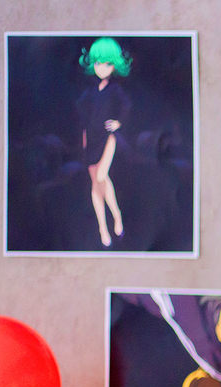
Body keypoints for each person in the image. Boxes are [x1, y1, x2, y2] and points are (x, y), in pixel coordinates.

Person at [76, 37, 132, 248]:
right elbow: (80, 111)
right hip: (90, 138)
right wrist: (82, 137)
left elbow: (127, 106)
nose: (102, 68)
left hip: (108, 137)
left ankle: (116, 214)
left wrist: (118, 123)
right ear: (93, 64)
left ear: (114, 65)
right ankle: (102, 227)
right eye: (99, 63)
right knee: (95, 184)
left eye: (108, 63)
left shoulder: (115, 90)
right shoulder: (89, 92)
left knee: (101, 175)